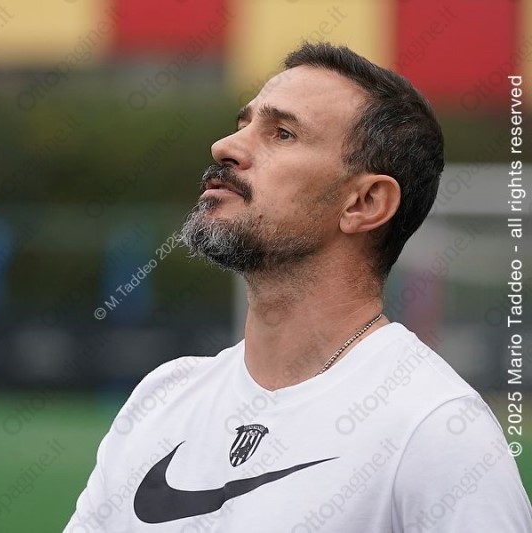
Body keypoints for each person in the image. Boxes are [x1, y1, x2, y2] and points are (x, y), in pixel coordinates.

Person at [64, 42, 532, 532]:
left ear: (365, 203)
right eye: (244, 123)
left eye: (282, 134)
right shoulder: (162, 399)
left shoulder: (434, 429)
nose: (225, 146)